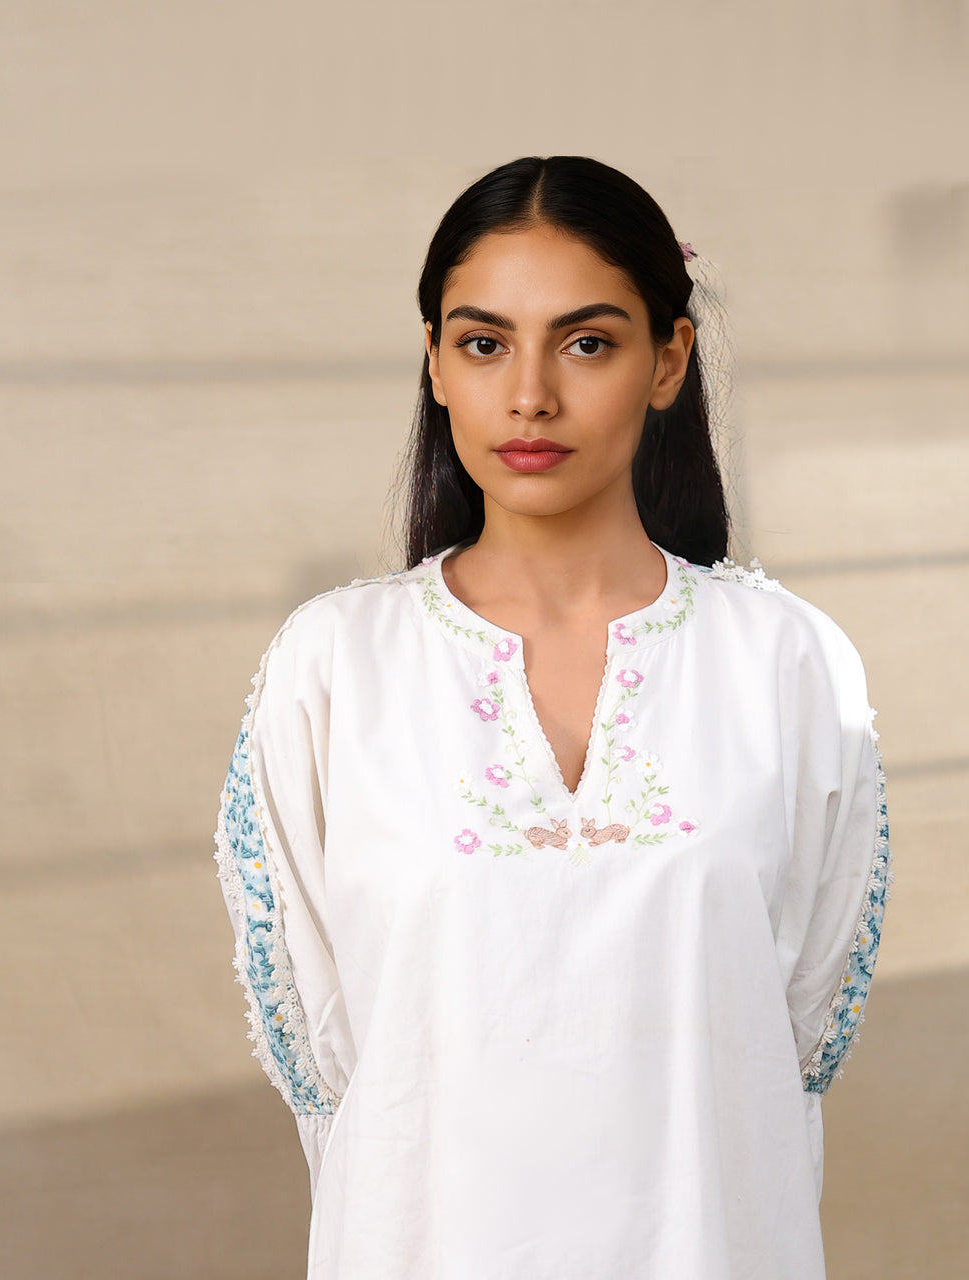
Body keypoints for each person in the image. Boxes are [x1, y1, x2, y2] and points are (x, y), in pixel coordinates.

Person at [214, 155, 892, 1279]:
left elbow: (792, 1038)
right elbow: (331, 1055)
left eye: (586, 341)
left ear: (667, 359)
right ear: (434, 361)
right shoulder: (331, 667)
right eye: (484, 342)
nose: (530, 393)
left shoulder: (788, 663)